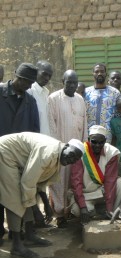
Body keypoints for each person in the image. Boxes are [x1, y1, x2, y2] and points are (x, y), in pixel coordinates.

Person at [0, 132, 84, 258]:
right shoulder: (48, 152)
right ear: (66, 146)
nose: (71, 160)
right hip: (4, 153)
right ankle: (16, 246)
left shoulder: (58, 156)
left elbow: (38, 182)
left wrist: (45, 204)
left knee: (26, 194)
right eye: (71, 155)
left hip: (15, 158)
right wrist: (36, 209)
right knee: (15, 198)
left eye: (75, 160)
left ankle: (29, 236)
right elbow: (28, 182)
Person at [0, 62, 40, 246]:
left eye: (31, 83)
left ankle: (23, 233)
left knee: (18, 194)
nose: (30, 86)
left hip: (19, 156)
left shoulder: (30, 100)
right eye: (27, 82)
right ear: (17, 77)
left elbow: (34, 130)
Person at [48, 69, 88, 227]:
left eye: (74, 82)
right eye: (69, 82)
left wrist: (84, 146)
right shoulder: (53, 99)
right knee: (58, 182)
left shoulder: (80, 99)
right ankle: (59, 215)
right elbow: (51, 125)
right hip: (60, 150)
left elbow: (84, 125)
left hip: (77, 151)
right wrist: (56, 148)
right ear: (62, 81)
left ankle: (70, 211)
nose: (72, 85)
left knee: (75, 181)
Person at [70, 125, 121, 224]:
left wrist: (109, 208)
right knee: (78, 210)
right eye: (94, 142)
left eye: (101, 142)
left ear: (105, 141)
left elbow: (110, 181)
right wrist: (83, 207)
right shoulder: (80, 152)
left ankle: (111, 213)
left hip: (103, 191)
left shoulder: (112, 152)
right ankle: (93, 212)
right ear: (88, 140)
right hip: (86, 194)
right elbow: (76, 183)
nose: (97, 145)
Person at [28, 60, 54, 226]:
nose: (47, 78)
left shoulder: (46, 92)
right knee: (30, 183)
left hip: (46, 143)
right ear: (36, 72)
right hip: (32, 144)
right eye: (44, 74)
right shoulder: (30, 91)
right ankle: (32, 220)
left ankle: (38, 218)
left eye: (49, 76)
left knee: (41, 181)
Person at [84, 63, 121, 142]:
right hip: (90, 136)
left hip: (108, 136)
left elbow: (118, 116)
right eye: (96, 72)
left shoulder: (115, 93)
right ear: (93, 74)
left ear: (106, 74)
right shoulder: (86, 92)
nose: (99, 73)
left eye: (102, 71)